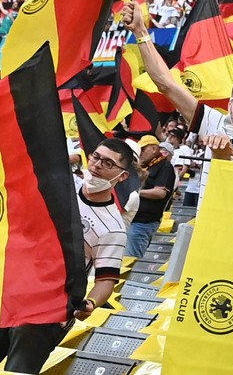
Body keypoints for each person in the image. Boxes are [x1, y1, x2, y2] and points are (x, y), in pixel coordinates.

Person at [123, 2, 233, 204]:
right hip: (209, 233)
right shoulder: (214, 124)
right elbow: (166, 84)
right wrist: (140, 32)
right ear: (230, 104)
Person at [0, 139, 134, 374]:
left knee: (18, 370)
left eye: (108, 163)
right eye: (95, 157)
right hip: (12, 290)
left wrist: (90, 303)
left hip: (49, 311)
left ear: (122, 176)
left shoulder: (113, 227)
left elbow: (106, 280)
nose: (97, 165)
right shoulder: (60, 185)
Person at [126, 135, 176, 257]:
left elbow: (160, 193)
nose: (141, 153)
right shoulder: (146, 165)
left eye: (143, 149)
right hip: (133, 219)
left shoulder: (164, 167)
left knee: (131, 258)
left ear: (154, 149)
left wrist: (136, 192)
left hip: (144, 222)